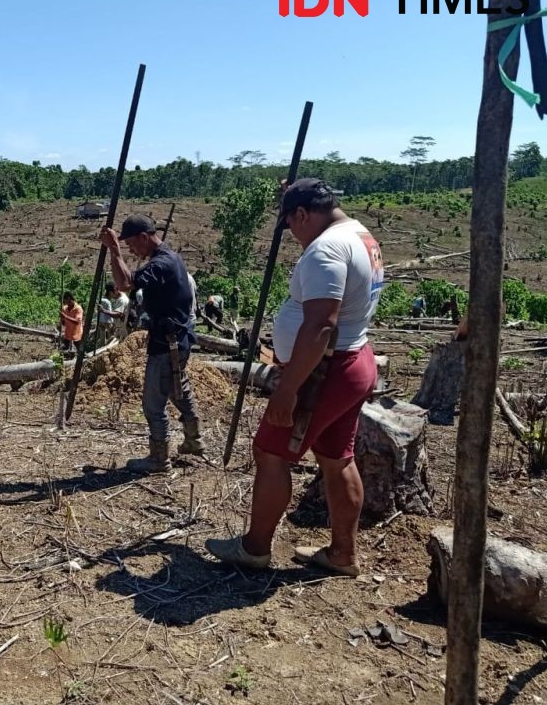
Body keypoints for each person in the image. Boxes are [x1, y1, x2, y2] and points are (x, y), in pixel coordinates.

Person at [206, 179, 382, 578]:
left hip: (325, 372)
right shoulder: (358, 235)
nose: (293, 235)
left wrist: (286, 391)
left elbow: (320, 326)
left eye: (291, 223)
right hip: (354, 360)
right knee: (337, 459)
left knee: (271, 454)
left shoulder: (327, 249)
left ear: (303, 214)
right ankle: (342, 554)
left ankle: (254, 549)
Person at [99, 215, 205, 472]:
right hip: (177, 339)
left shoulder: (162, 263)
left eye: (131, 245)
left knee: (152, 403)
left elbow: (123, 283)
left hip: (167, 342)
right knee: (178, 388)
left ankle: (159, 458)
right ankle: (194, 439)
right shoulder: (171, 258)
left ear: (144, 238)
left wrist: (113, 249)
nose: (131, 251)